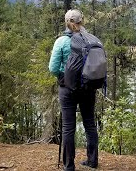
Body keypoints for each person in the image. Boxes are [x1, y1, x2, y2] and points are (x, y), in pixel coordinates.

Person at [49, 9, 98, 171]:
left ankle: (69, 166)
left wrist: (63, 78)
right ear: (81, 22)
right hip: (88, 88)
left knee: (68, 127)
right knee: (90, 124)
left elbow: (53, 67)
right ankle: (92, 161)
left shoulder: (62, 41)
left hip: (67, 88)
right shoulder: (90, 39)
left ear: (67, 22)